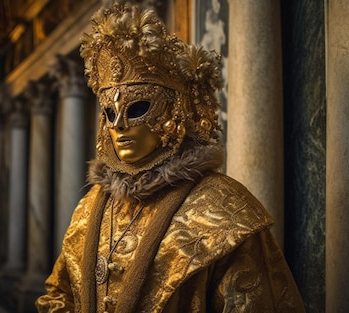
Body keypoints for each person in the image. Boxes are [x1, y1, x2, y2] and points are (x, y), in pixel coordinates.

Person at [35, 3, 305, 312]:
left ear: (174, 111)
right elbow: (59, 295)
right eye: (110, 112)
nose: (119, 124)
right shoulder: (91, 206)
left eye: (137, 108)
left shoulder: (223, 210)